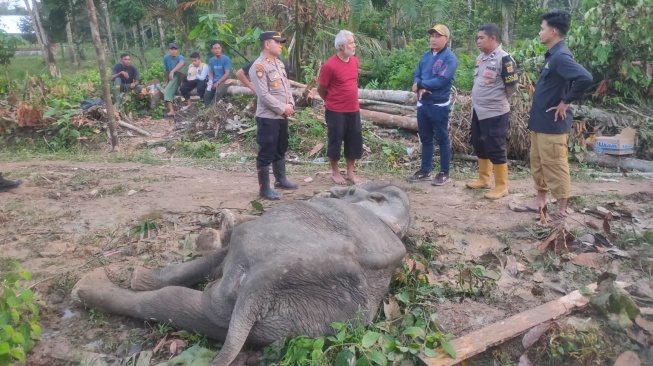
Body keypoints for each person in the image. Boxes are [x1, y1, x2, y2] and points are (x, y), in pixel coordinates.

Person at [525, 10, 593, 217]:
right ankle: (541, 201)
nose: (539, 32)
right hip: (540, 122)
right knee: (538, 162)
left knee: (555, 164)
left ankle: (562, 210)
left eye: (542, 29)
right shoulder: (553, 56)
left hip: (553, 124)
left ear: (553, 32)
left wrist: (565, 102)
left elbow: (585, 77)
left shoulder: (561, 56)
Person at [466, 23, 519, 199]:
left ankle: (501, 186)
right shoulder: (481, 58)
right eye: (477, 38)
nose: (478, 41)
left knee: (496, 147)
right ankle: (484, 179)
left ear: (492, 38)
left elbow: (512, 87)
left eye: (481, 38)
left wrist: (497, 101)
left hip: (495, 112)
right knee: (480, 143)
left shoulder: (505, 59)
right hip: (478, 110)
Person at [249, 31, 297, 200]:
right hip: (268, 117)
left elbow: (286, 87)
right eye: (278, 42)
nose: (280, 45)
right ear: (267, 44)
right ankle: (264, 189)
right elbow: (263, 95)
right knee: (266, 152)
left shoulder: (279, 64)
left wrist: (290, 103)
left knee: (280, 149)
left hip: (281, 116)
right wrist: (282, 108)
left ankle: (281, 180)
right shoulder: (259, 67)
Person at [408, 25, 458, 186]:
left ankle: (444, 172)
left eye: (438, 36)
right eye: (432, 36)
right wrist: (418, 84)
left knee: (442, 138)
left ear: (446, 39)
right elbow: (417, 73)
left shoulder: (450, 58)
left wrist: (421, 85)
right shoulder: (425, 56)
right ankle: (425, 170)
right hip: (423, 104)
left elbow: (442, 80)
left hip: (439, 104)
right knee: (426, 138)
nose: (433, 39)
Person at [317, 30, 363, 185]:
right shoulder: (330, 66)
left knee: (353, 140)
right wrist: (330, 101)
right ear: (341, 46)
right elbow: (321, 88)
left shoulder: (355, 61)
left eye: (353, 42)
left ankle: (350, 172)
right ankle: (335, 172)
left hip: (353, 109)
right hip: (335, 110)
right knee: (335, 141)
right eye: (351, 43)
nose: (354, 45)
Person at [204, 41, 232, 107]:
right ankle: (206, 108)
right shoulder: (211, 60)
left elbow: (227, 73)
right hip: (215, 80)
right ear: (212, 50)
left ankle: (211, 109)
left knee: (218, 92)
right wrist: (210, 82)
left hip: (225, 81)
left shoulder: (226, 59)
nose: (217, 50)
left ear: (221, 49)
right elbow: (211, 73)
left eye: (219, 48)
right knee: (207, 93)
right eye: (215, 48)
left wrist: (218, 82)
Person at [163, 43, 185, 117]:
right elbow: (165, 71)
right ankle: (172, 110)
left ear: (177, 50)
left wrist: (172, 71)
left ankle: (171, 111)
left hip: (178, 77)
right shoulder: (166, 58)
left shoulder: (180, 57)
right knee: (167, 88)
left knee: (167, 91)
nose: (173, 51)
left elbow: (181, 64)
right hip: (171, 78)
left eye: (175, 49)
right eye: (171, 49)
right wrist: (166, 82)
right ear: (169, 50)